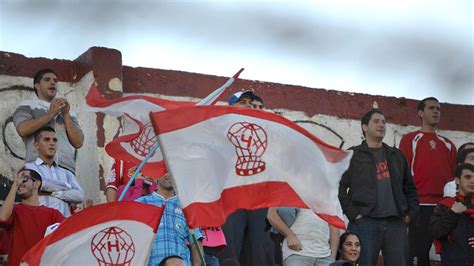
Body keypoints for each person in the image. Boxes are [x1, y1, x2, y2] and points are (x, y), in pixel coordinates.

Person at [339, 109, 419, 265]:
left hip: (396, 223)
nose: (381, 125)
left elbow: (410, 188)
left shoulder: (396, 155)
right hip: (365, 222)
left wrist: (410, 214)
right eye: (376, 121)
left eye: (384, 122)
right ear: (364, 126)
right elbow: (339, 187)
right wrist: (354, 215)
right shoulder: (353, 155)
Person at [399, 97, 457, 265]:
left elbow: (453, 177)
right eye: (431, 108)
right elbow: (403, 173)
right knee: (417, 254)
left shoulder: (448, 144)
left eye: (438, 109)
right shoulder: (410, 140)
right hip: (420, 205)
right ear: (420, 113)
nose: (436, 111)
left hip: (445, 207)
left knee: (449, 252)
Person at [218, 90, 274, 266]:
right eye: (243, 102)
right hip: (232, 198)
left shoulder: (263, 130)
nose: (249, 105)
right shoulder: (222, 128)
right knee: (230, 253)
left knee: (256, 254)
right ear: (231, 106)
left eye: (251, 102)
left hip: (257, 200)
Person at [13, 68, 83, 173]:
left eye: (55, 81)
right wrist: (51, 114)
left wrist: (66, 114)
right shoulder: (28, 106)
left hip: (66, 169)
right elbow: (22, 129)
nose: (52, 83)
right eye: (47, 79)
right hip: (38, 167)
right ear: (37, 86)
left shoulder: (68, 112)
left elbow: (78, 142)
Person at [0, 168, 64, 266]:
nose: (19, 182)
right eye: (17, 179)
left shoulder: (53, 214)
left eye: (24, 178)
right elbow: (3, 218)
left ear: (36, 184)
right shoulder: (14, 210)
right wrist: (14, 186)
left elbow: (68, 236)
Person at [136, 173, 203, 266]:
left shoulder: (186, 206)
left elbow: (196, 242)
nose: (168, 175)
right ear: (155, 177)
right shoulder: (141, 203)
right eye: (164, 171)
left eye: (171, 171)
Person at [24, 126, 84, 217]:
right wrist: (66, 186)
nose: (52, 143)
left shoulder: (66, 172)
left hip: (64, 224)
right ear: (36, 145)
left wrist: (56, 193)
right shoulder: (29, 168)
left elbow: (79, 196)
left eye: (54, 140)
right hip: (41, 221)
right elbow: (40, 183)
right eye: (46, 139)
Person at [430, 163, 474, 265]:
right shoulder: (446, 205)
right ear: (457, 180)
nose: (472, 181)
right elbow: (435, 232)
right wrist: (452, 213)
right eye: (468, 177)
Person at [267, 207, 339, 265]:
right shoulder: (289, 189)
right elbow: (271, 215)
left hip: (325, 256)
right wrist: (289, 235)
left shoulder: (327, 193)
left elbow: (334, 225)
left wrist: (332, 257)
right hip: (297, 253)